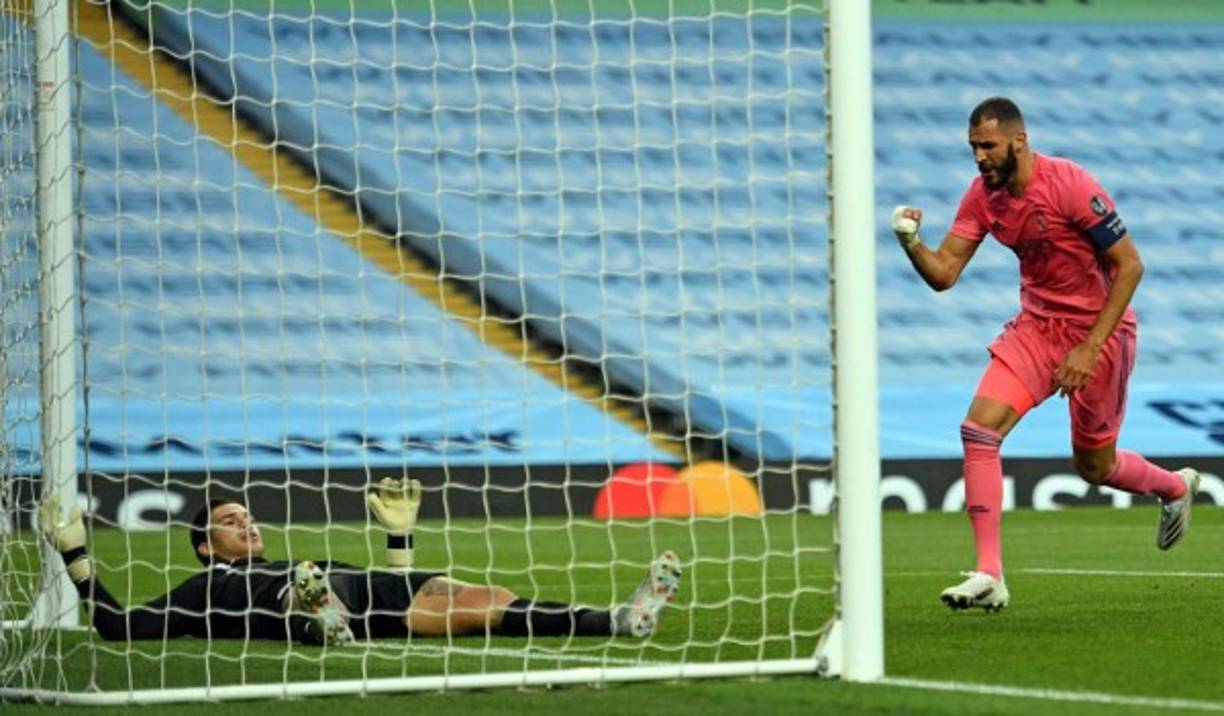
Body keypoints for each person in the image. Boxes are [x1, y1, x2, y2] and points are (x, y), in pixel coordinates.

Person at [891, 96, 1201, 612]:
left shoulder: (1070, 184)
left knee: (1095, 466)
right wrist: (910, 242)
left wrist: (1090, 347)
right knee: (978, 429)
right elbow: (944, 273)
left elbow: (1130, 265)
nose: (979, 157)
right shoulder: (982, 197)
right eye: (973, 147)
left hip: (1100, 332)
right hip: (1037, 328)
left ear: (1019, 140)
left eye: (988, 146)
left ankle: (1173, 487)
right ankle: (989, 574)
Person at [38, 478, 682, 644]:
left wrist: (399, 538)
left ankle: (619, 618)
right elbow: (119, 627)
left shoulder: (295, 557)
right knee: (302, 591)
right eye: (231, 522)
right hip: (300, 599)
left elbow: (393, 587)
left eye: (248, 516)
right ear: (207, 546)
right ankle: (317, 618)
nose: (247, 524)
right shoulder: (199, 589)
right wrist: (75, 556)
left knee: (487, 598)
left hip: (357, 586)